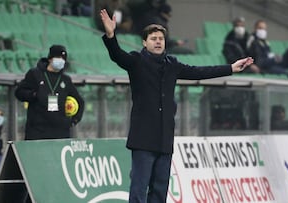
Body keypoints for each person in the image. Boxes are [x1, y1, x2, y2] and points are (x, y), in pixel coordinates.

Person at [99, 9, 254, 203]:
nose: (158, 41)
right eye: (153, 38)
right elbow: (117, 56)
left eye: (161, 39)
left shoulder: (172, 64)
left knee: (159, 192)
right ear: (144, 42)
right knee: (139, 190)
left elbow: (199, 72)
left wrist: (230, 68)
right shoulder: (136, 61)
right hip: (143, 140)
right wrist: (111, 35)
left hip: (165, 140)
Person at [15, 45, 85, 140]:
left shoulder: (65, 80)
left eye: (63, 59)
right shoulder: (35, 74)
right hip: (38, 130)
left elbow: (80, 101)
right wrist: (34, 95)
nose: (61, 61)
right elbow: (19, 92)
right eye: (58, 58)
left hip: (60, 132)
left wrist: (73, 121)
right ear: (50, 58)